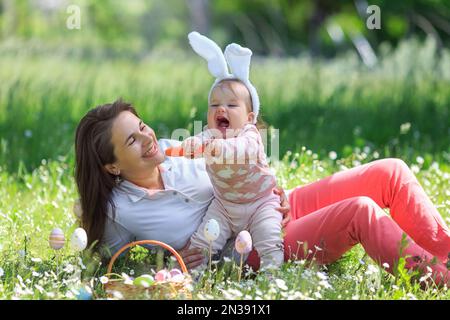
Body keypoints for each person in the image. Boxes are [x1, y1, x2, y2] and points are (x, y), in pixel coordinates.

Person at [74, 98, 450, 287]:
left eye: (142, 126)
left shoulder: (179, 148)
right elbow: (109, 264)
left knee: (389, 172)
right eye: (132, 139)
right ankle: (439, 278)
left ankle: (445, 253)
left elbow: (246, 159)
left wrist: (274, 190)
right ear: (112, 166)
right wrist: (170, 268)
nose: (147, 137)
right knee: (359, 212)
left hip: (269, 207)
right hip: (248, 248)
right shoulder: (119, 210)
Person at [178, 33, 284, 271]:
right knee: (203, 241)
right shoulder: (209, 135)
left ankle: (272, 282)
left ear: (249, 117)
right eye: (214, 105)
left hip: (260, 203)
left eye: (231, 105)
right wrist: (192, 144)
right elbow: (200, 140)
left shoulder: (250, 136)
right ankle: (187, 279)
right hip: (225, 206)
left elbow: (240, 149)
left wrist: (218, 147)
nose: (221, 109)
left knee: (270, 240)